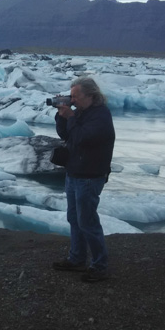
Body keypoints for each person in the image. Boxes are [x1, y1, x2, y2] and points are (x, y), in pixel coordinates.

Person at [52, 76, 115, 282]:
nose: (73, 100)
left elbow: (82, 138)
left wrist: (70, 117)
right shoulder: (81, 113)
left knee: (87, 222)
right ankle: (77, 259)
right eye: (71, 96)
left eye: (76, 96)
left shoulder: (101, 116)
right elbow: (66, 135)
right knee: (74, 219)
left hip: (89, 176)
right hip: (74, 173)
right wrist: (62, 115)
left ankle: (99, 266)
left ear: (91, 95)